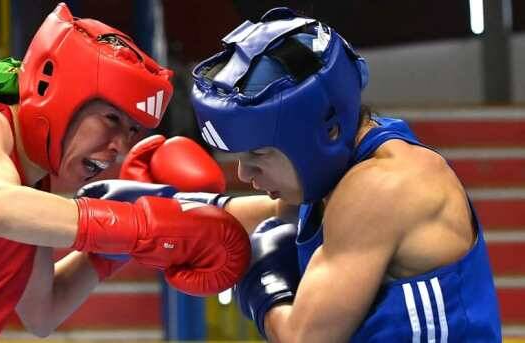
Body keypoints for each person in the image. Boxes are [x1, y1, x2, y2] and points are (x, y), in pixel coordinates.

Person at [0, 3, 250, 342]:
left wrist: (114, 251)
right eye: (111, 118)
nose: (119, 144)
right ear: (61, 95)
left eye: (132, 130)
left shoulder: (36, 189)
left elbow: (42, 313)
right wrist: (140, 224)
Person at [189, 7, 502, 342]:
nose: (245, 172)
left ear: (325, 133)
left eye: (259, 153)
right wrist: (166, 210)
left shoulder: (381, 185)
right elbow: (275, 216)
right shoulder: (335, 172)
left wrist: (262, 283)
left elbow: (304, 338)